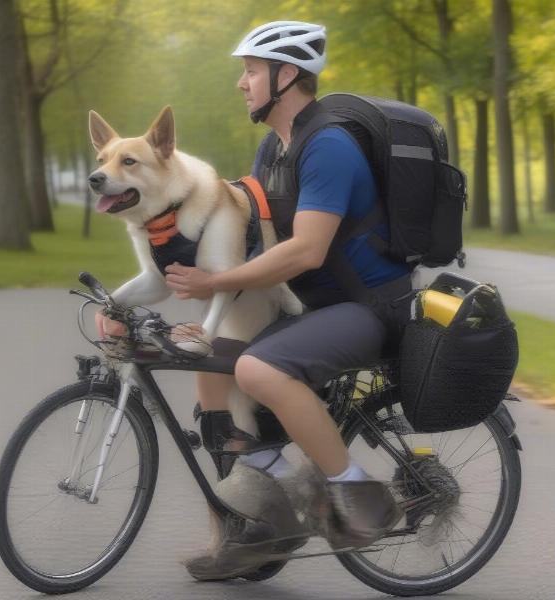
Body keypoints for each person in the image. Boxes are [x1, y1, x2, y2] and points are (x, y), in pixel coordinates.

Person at [163, 21, 414, 577]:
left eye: (250, 71)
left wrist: (216, 284)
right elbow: (242, 232)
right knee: (211, 363)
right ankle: (256, 524)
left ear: (287, 74)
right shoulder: (272, 149)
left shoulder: (326, 146)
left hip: (369, 307)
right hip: (317, 307)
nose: (241, 83)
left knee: (256, 370)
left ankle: (357, 492)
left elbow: (306, 251)